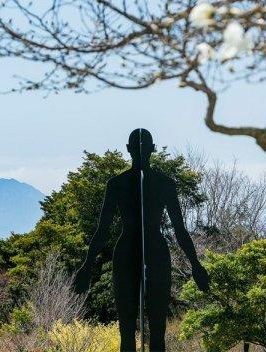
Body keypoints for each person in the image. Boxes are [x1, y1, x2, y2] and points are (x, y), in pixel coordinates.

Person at [74, 129, 210, 352]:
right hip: (152, 251)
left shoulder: (117, 183)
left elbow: (102, 231)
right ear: (152, 149)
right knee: (147, 332)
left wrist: (88, 266)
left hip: (131, 251)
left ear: (128, 149)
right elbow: (179, 230)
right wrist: (195, 265)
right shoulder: (163, 183)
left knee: (139, 332)